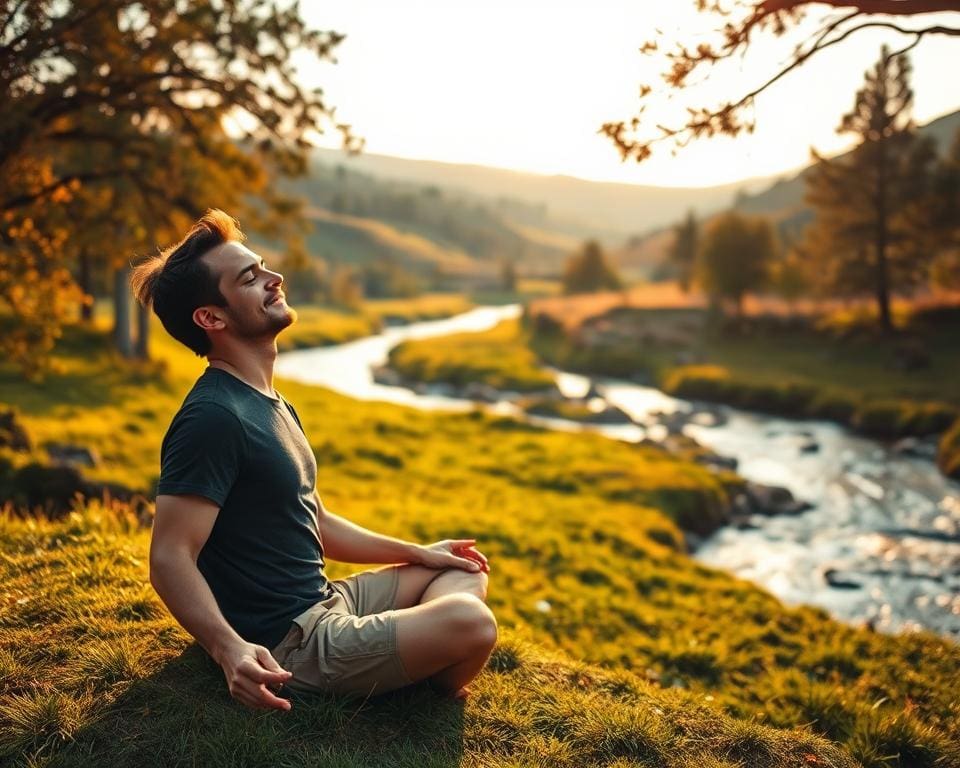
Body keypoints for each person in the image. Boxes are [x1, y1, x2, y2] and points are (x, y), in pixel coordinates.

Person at [131, 209, 496, 711]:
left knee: (462, 571)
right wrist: (228, 648)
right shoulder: (213, 417)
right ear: (211, 318)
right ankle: (423, 673)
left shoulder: (272, 402)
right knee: (471, 621)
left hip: (325, 603)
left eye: (262, 267)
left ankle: (408, 662)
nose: (273, 277)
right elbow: (170, 557)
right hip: (289, 646)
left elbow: (316, 522)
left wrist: (418, 552)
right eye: (249, 277)